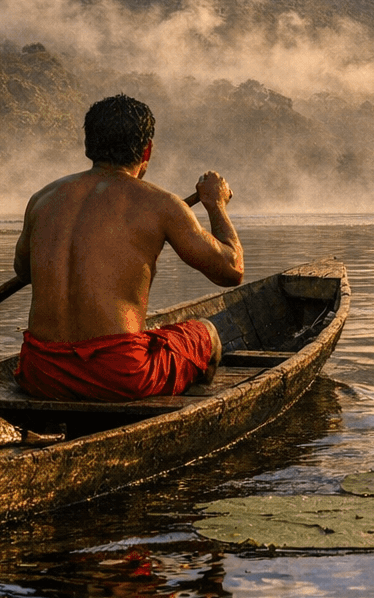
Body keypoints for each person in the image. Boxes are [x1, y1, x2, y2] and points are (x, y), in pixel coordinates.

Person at [12, 94, 244, 401]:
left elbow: (22, 269)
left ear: (88, 146)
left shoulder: (43, 198)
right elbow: (231, 270)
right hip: (119, 375)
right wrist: (215, 204)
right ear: (147, 149)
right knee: (207, 334)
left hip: (40, 372)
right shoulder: (161, 204)